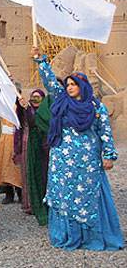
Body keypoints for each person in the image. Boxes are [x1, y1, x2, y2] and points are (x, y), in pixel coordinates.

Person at [32, 46, 124, 251]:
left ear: (82, 86)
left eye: (74, 84)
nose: (70, 87)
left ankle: (92, 236)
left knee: (88, 196)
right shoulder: (62, 101)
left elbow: (105, 131)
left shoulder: (95, 106)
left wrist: (108, 155)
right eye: (68, 84)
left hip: (88, 160)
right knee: (65, 195)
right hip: (63, 159)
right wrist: (41, 61)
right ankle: (67, 235)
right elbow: (49, 82)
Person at [26, 89, 52, 226]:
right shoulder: (28, 110)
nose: (35, 100)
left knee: (47, 176)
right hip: (34, 147)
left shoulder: (47, 111)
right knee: (37, 177)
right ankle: (39, 209)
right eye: (33, 97)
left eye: (38, 97)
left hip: (47, 146)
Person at [0, 115, 22, 204]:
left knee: (17, 166)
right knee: (4, 165)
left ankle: (21, 192)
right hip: (5, 137)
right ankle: (8, 192)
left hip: (17, 136)